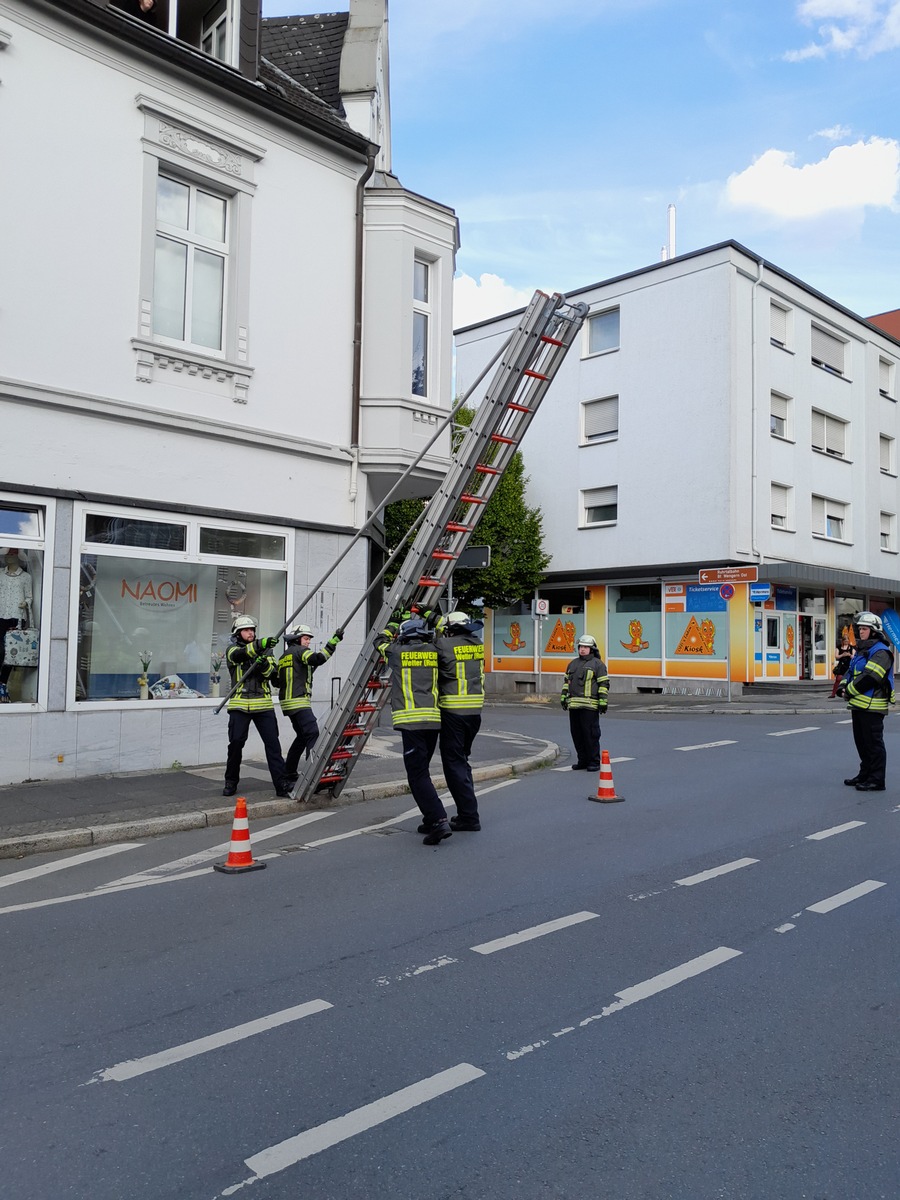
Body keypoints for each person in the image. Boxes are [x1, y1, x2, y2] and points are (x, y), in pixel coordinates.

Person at [376, 616, 451, 845]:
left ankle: (439, 820)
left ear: (403, 636)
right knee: (423, 770)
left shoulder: (397, 652)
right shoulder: (434, 651)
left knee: (417, 775)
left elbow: (379, 641)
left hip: (411, 723)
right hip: (433, 721)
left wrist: (392, 624)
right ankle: (430, 819)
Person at [223, 614, 291, 798]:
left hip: (263, 705)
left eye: (252, 630)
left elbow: (275, 677)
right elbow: (240, 655)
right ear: (238, 633)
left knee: (273, 746)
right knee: (236, 744)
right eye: (246, 630)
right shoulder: (232, 650)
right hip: (240, 705)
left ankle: (281, 784)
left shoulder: (267, 652)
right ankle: (231, 781)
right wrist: (260, 645)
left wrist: (262, 667)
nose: (250, 633)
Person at [274, 623, 343, 783]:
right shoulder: (300, 651)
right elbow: (317, 659)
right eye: (305, 639)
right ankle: (312, 775)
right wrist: (333, 642)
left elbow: (277, 682)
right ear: (297, 640)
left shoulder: (284, 656)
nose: (308, 642)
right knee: (312, 733)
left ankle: (289, 772)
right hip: (299, 701)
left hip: (287, 704)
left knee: (302, 737)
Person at [435, 610, 484, 831]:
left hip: (453, 711)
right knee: (462, 762)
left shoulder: (443, 645)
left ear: (450, 629)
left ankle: (469, 817)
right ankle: (467, 812)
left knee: (454, 764)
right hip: (475, 713)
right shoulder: (477, 644)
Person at [839, 611, 894, 792]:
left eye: (864, 629)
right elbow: (851, 671)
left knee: (873, 744)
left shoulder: (881, 652)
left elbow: (871, 677)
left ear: (874, 631)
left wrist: (849, 690)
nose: (860, 632)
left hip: (873, 706)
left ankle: (877, 780)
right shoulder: (862, 651)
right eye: (860, 628)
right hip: (859, 705)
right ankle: (865, 774)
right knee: (862, 743)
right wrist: (842, 686)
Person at [560, 634, 609, 772]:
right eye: (581, 646)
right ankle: (582, 760)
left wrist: (603, 701)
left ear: (592, 649)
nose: (582, 649)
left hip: (590, 706)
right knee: (577, 734)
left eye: (586, 647)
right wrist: (563, 697)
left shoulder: (598, 664)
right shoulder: (572, 664)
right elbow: (566, 683)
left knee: (590, 735)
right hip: (574, 706)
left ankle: (594, 761)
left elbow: (604, 683)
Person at [0, 550, 34, 703]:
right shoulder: (0, 574)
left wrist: (25, 603)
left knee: (10, 652)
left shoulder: (25, 577)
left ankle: (3, 684)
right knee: (0, 651)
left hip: (16, 617)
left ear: (18, 557)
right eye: (6, 555)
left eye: (11, 555)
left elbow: (29, 596)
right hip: (0, 615)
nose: (8, 557)